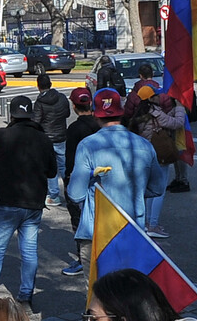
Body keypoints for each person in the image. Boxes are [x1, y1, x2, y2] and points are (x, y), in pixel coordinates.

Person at [66, 88, 166, 277]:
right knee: (129, 291)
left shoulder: (87, 145)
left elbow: (75, 193)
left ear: (96, 115)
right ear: (121, 113)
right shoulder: (144, 145)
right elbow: (157, 187)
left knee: (98, 295)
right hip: (132, 229)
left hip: (97, 231)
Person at [0, 95, 56, 312]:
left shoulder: (3, 135)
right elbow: (53, 171)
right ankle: (26, 297)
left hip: (8, 203)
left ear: (12, 115)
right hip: (33, 203)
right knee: (29, 252)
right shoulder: (43, 139)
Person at [128, 85, 185, 239]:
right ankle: (153, 224)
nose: (160, 97)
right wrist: (180, 108)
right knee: (159, 191)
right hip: (159, 156)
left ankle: (146, 223)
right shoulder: (155, 113)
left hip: (142, 157)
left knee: (147, 191)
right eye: (156, 95)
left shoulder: (140, 114)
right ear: (151, 98)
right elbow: (176, 123)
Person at [61, 88, 99, 274]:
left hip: (79, 179)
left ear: (74, 106)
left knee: (79, 221)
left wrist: (68, 179)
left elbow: (70, 159)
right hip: (101, 180)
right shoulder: (100, 125)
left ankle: (83, 259)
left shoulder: (75, 129)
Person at [29, 74, 70, 206]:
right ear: (50, 84)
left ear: (38, 86)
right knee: (63, 165)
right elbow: (67, 113)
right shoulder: (62, 97)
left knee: (50, 167)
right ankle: (70, 191)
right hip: (61, 135)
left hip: (47, 138)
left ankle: (53, 195)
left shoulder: (40, 102)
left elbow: (36, 121)